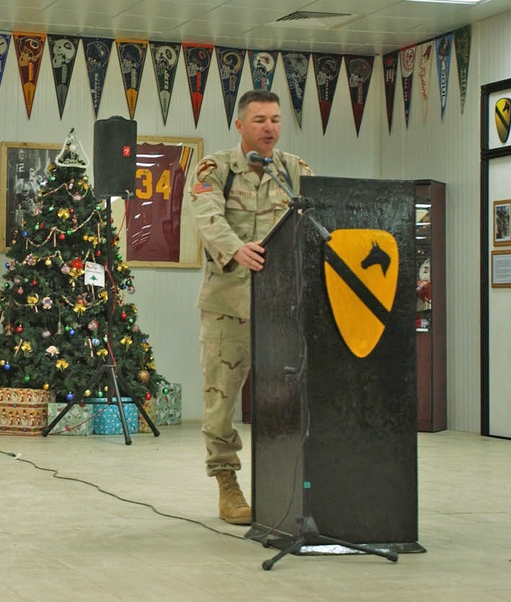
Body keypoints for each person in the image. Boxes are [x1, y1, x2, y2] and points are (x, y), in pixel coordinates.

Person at [186, 90, 314, 525]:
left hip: (285, 309)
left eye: (276, 119)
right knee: (222, 397)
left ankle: (291, 482)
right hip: (230, 304)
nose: (270, 128)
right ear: (240, 125)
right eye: (259, 120)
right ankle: (226, 482)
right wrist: (236, 249)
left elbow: (318, 218)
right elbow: (207, 218)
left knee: (290, 397)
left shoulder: (293, 170)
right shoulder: (214, 168)